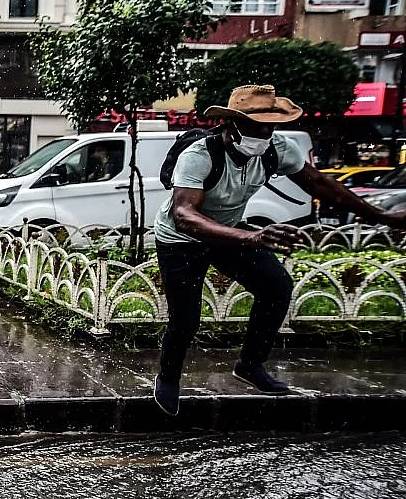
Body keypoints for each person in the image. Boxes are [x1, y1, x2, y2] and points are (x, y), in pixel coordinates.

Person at [153, 85, 406, 416]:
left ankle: (250, 365)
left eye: (270, 127)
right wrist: (252, 237)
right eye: (256, 127)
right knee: (186, 317)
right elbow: (184, 215)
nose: (264, 135)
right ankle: (168, 377)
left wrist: (381, 216)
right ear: (232, 125)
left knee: (276, 287)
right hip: (181, 240)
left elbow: (320, 184)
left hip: (231, 232)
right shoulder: (200, 155)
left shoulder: (277, 149)